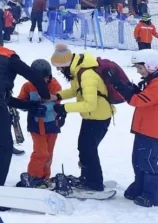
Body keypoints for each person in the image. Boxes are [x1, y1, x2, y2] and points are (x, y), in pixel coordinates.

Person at [0, 41, 51, 186]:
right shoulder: (9, 57)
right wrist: (45, 95)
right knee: (2, 147)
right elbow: (32, 75)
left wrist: (29, 105)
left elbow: (3, 97)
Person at [53, 49, 114, 193]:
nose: (58, 70)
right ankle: (86, 177)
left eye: (59, 67)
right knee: (84, 148)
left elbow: (89, 104)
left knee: (88, 150)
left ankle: (95, 183)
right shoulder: (78, 71)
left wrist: (64, 108)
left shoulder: (87, 75)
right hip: (90, 117)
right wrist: (57, 96)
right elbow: (76, 91)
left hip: (99, 117)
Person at [9, 59, 64, 188]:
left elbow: (57, 103)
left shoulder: (55, 85)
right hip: (36, 125)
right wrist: (30, 106)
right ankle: (34, 176)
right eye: (40, 78)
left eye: (46, 78)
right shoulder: (28, 86)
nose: (43, 81)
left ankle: (45, 177)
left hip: (52, 125)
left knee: (48, 154)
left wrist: (49, 108)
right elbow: (21, 102)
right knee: (41, 152)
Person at [115, 49, 158, 207]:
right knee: (138, 160)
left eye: (140, 68)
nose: (139, 71)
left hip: (153, 132)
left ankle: (152, 194)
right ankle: (140, 187)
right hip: (143, 129)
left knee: (148, 161)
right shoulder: (151, 82)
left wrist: (124, 90)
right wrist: (132, 88)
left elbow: (138, 101)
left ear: (151, 65)